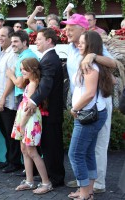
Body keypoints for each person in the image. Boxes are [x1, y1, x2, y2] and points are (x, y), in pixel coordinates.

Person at [61, 14, 116, 194]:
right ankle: (85, 185)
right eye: (66, 27)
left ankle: (97, 185)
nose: (66, 31)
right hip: (83, 103)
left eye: (71, 28)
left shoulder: (92, 47)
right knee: (85, 149)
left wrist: (93, 56)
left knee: (95, 145)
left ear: (83, 30)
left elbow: (113, 63)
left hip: (95, 104)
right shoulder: (71, 48)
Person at [25, 28, 65, 187]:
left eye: (39, 39)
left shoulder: (49, 59)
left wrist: (32, 101)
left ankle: (55, 177)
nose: (36, 42)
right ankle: (52, 174)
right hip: (51, 111)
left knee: (52, 145)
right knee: (50, 145)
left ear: (49, 40)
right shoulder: (49, 58)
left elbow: (46, 86)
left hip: (51, 112)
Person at [12, 58, 52, 194]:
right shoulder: (30, 83)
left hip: (29, 120)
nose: (21, 71)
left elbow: (30, 108)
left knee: (32, 151)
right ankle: (29, 181)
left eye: (24, 68)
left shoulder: (33, 84)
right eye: (21, 68)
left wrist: (21, 125)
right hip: (24, 118)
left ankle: (46, 182)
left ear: (32, 69)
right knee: (24, 149)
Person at [5, 30, 38, 173]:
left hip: (27, 99)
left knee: (27, 139)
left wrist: (10, 74)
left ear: (25, 42)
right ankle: (29, 170)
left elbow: (19, 83)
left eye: (16, 42)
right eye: (12, 42)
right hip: (22, 97)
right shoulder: (21, 56)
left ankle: (33, 171)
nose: (13, 44)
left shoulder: (28, 56)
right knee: (24, 142)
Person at [0, 26, 18, 171]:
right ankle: (10, 160)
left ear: (10, 37)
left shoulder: (12, 54)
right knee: (5, 133)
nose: (0, 38)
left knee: (10, 134)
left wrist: (2, 98)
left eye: (3, 35)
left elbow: (10, 80)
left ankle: (14, 162)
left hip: (7, 102)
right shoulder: (3, 53)